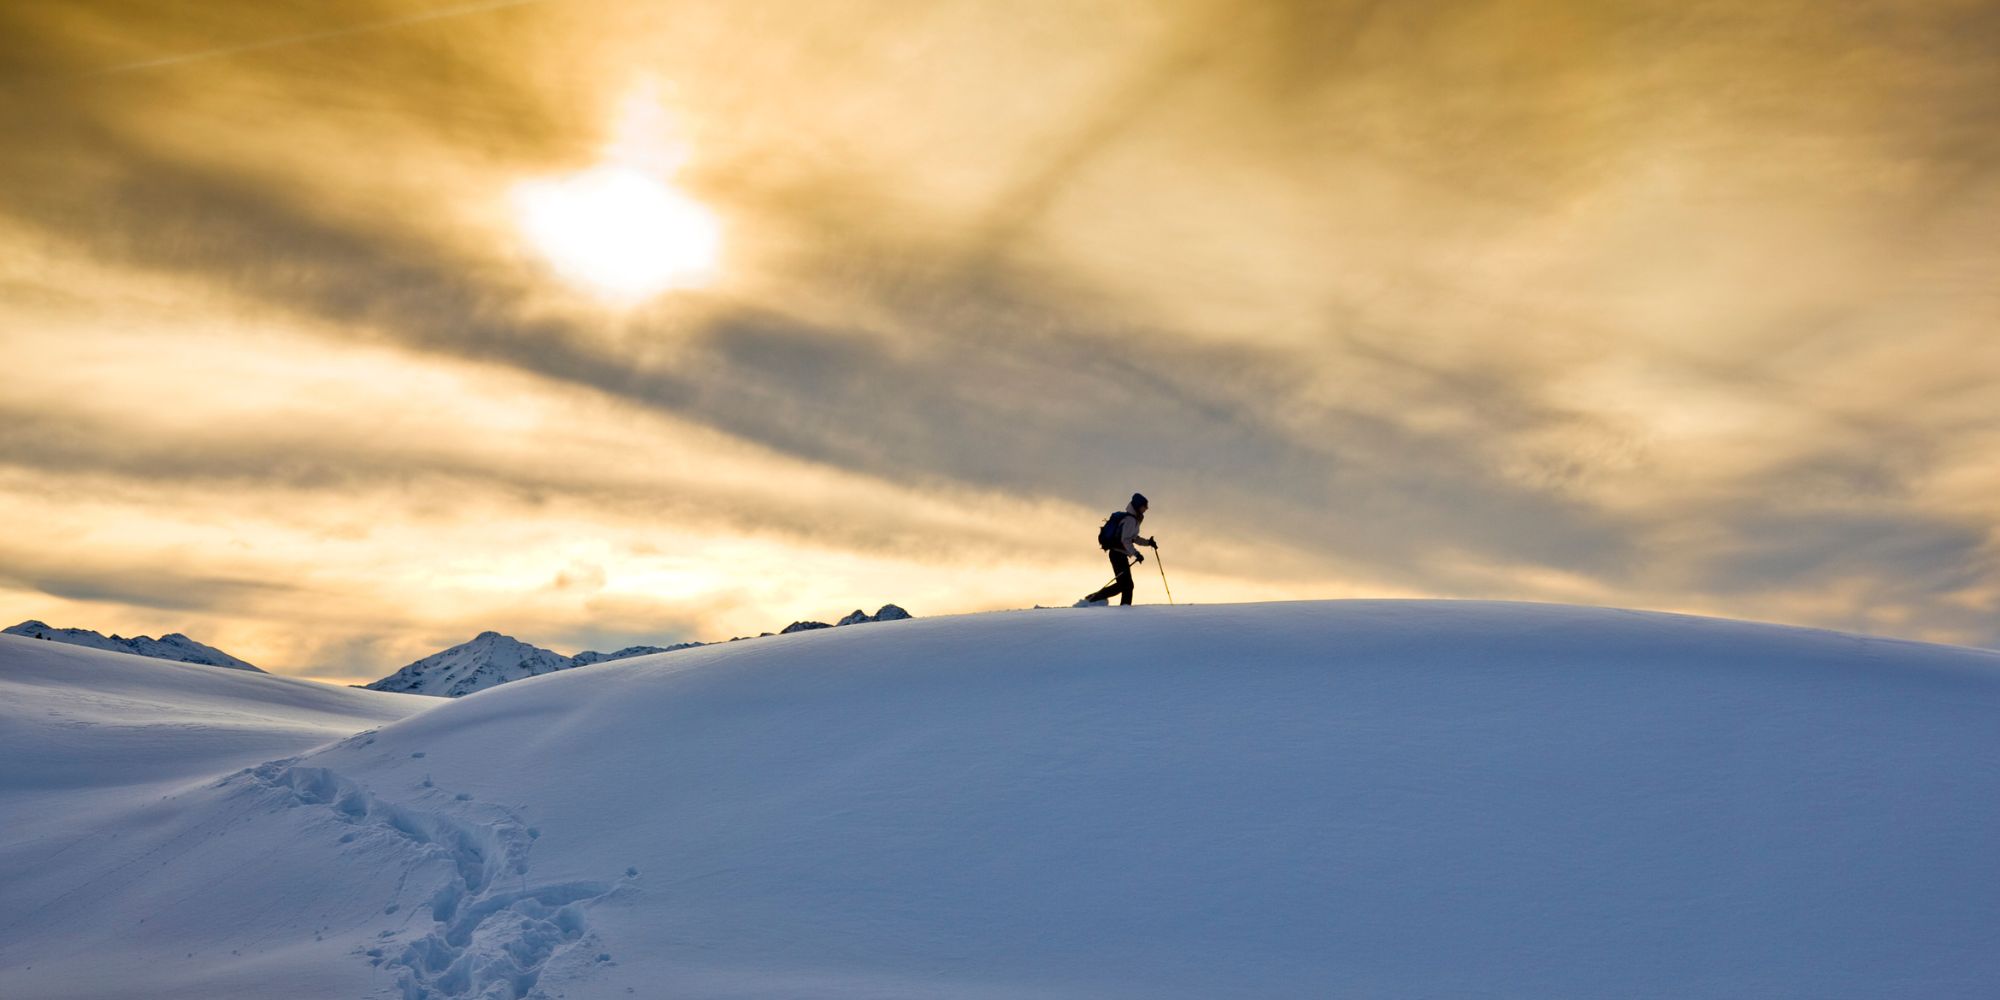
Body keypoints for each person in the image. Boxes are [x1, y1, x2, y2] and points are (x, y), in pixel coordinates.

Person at [1080, 493, 1157, 606]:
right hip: (1117, 555)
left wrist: (1148, 542)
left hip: (1119, 555)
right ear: (1138, 506)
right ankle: (1094, 600)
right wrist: (1136, 554)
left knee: (1126, 585)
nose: (1146, 508)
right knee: (1126, 585)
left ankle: (1097, 600)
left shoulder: (1134, 519)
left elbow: (1133, 538)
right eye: (1144, 506)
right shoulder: (1130, 520)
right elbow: (1125, 540)